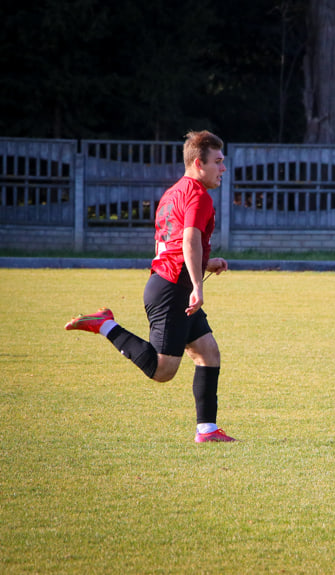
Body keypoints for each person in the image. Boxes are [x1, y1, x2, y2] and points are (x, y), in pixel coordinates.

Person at [65, 130, 235, 443]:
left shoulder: (173, 193)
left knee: (208, 353)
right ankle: (106, 325)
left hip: (170, 283)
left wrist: (206, 264)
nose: (223, 168)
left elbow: (170, 244)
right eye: (218, 162)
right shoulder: (198, 195)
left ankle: (207, 430)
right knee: (162, 370)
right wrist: (198, 285)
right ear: (199, 163)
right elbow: (188, 240)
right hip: (173, 290)